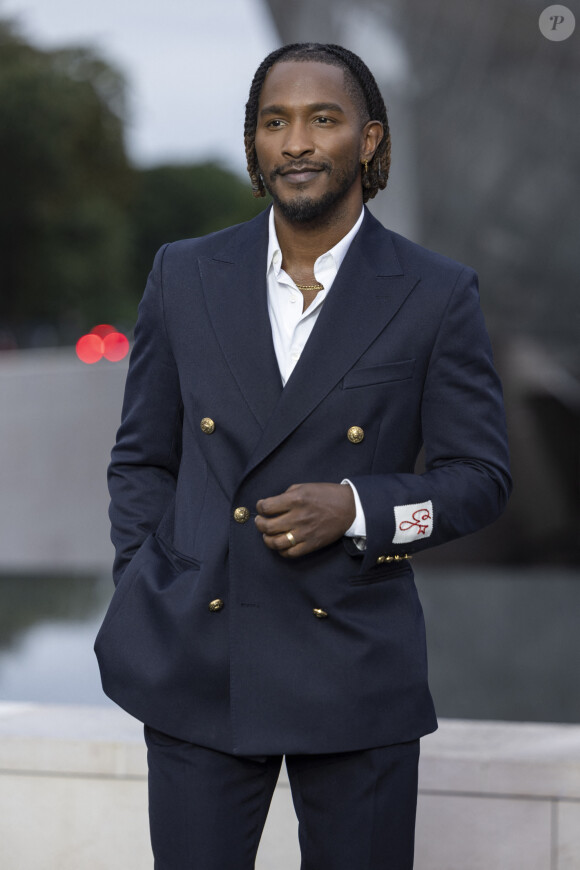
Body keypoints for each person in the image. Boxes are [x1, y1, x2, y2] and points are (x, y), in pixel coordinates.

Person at [95, 42, 511, 870]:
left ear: (368, 139)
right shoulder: (184, 275)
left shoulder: (435, 292)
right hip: (199, 659)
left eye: (323, 118)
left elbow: (481, 481)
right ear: (253, 144)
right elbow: (142, 458)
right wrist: (151, 580)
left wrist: (358, 509)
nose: (296, 142)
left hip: (355, 664)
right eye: (273, 122)